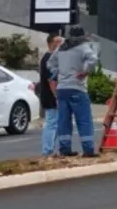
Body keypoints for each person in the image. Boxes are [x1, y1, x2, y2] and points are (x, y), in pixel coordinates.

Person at [47, 25, 99, 157]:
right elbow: (93, 59)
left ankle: (65, 149)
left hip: (62, 89)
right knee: (84, 119)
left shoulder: (61, 48)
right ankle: (88, 150)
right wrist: (85, 71)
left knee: (64, 120)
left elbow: (50, 63)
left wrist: (56, 73)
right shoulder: (83, 47)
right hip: (77, 88)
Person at [37, 33, 62, 157]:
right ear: (52, 43)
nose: (61, 44)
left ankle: (51, 149)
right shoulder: (48, 59)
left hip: (50, 95)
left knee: (55, 123)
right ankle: (47, 150)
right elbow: (51, 80)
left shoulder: (51, 58)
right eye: (59, 42)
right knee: (52, 123)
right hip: (50, 96)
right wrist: (57, 96)